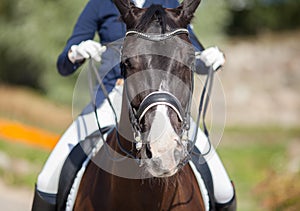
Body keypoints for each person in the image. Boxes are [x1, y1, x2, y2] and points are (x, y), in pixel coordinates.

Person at [32, 0, 236, 210]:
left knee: (223, 190)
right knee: (48, 179)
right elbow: (64, 66)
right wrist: (76, 52)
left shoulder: (168, 3)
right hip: (109, 99)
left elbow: (190, 52)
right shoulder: (100, 4)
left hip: (161, 102)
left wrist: (208, 59)